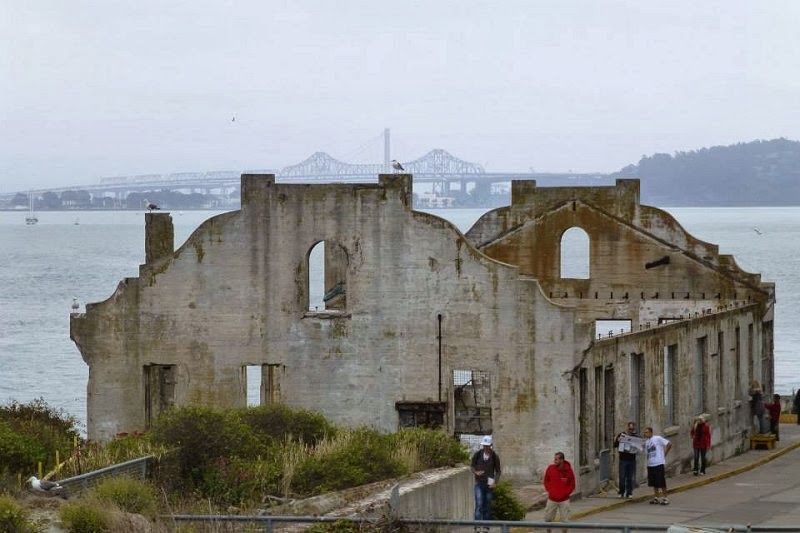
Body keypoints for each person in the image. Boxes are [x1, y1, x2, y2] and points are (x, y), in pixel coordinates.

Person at [471, 435, 501, 528]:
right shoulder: (478, 454)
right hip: (479, 483)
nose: (485, 448)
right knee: (479, 504)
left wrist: (495, 482)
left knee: (487, 506)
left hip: (489, 484)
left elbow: (498, 471)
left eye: (487, 446)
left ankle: (486, 526)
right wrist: (476, 472)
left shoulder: (494, 456)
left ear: (491, 445)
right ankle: (477, 526)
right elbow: (472, 466)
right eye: (484, 446)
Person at [543, 451, 576, 526]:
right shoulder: (550, 468)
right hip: (552, 499)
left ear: (562, 460)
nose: (554, 461)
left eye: (556, 459)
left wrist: (565, 493)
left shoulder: (569, 471)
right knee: (547, 520)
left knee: (565, 521)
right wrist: (550, 490)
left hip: (564, 500)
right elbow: (546, 481)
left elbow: (572, 484)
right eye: (554, 459)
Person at [644, 426, 672, 505]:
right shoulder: (646, 442)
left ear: (651, 432)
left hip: (658, 463)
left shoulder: (657, 438)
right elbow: (647, 453)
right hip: (651, 464)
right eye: (645, 432)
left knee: (661, 481)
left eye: (647, 432)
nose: (645, 434)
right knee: (654, 482)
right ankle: (656, 497)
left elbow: (669, 444)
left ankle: (665, 497)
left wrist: (664, 454)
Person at [613, 421, 638, 498]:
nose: (631, 430)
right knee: (622, 476)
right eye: (630, 429)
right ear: (627, 428)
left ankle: (629, 492)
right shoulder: (622, 435)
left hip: (632, 459)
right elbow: (615, 445)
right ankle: (621, 492)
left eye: (632, 429)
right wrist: (618, 440)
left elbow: (640, 447)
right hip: (623, 459)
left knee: (630, 477)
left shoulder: (636, 437)